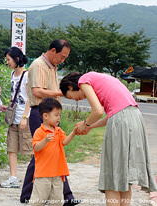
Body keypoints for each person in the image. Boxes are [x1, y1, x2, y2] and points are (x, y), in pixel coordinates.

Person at [60, 71, 157, 206]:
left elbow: (98, 111)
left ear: (70, 87)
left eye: (71, 97)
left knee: (111, 176)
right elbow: (113, 113)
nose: (76, 100)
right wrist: (90, 127)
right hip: (135, 118)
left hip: (122, 120)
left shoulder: (83, 80)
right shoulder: (102, 77)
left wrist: (85, 124)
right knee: (123, 175)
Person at [20, 39, 80, 206]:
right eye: (61, 56)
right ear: (53, 50)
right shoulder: (39, 65)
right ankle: (31, 195)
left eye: (65, 57)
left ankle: (31, 195)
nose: (63, 60)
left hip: (50, 113)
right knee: (41, 154)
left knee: (53, 152)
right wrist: (62, 93)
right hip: (41, 113)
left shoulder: (52, 66)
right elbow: (37, 91)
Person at [30, 97, 76, 206]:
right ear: (45, 116)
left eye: (59, 115)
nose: (59, 118)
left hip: (58, 173)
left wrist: (73, 132)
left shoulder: (58, 131)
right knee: (38, 201)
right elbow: (36, 147)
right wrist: (45, 140)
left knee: (56, 201)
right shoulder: (39, 132)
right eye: (56, 115)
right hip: (43, 174)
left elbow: (64, 142)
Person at [0, 47, 34, 188]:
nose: (7, 62)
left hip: (24, 117)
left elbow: (29, 98)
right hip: (13, 117)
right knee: (11, 148)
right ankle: (13, 178)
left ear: (17, 59)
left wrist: (25, 117)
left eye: (9, 59)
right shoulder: (12, 74)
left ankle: (35, 178)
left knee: (30, 149)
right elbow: (15, 95)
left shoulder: (26, 75)